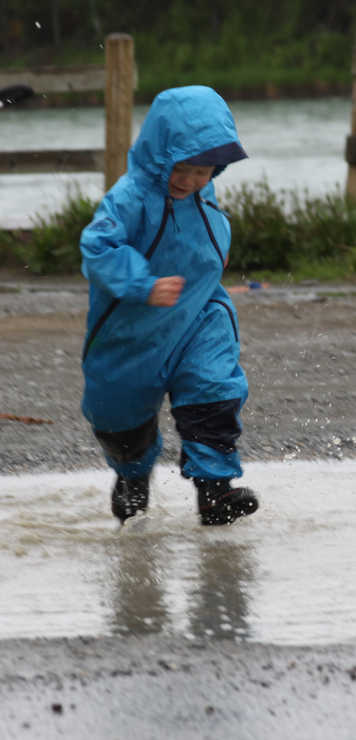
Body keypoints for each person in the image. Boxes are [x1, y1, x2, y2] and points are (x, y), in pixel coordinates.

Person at [80, 85, 258, 526]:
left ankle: (214, 494)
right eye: (183, 168)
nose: (191, 181)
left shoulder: (203, 194)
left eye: (204, 171)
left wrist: (219, 257)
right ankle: (132, 478)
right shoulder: (129, 198)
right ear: (159, 153)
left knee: (213, 393)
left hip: (199, 318)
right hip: (131, 333)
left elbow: (206, 232)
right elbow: (98, 246)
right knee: (120, 424)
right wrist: (142, 283)